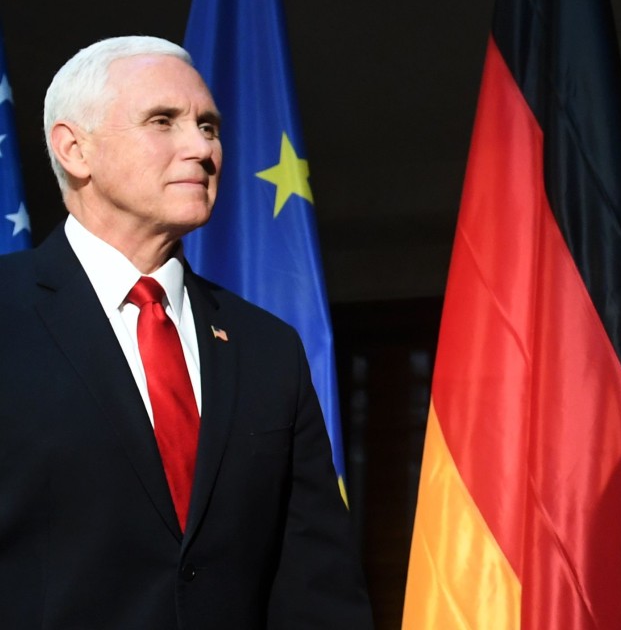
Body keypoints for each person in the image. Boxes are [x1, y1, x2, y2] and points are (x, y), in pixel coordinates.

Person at [0, 36, 373, 629]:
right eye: (163, 121)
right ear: (74, 149)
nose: (202, 148)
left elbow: (315, 587)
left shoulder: (267, 348)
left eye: (209, 126)